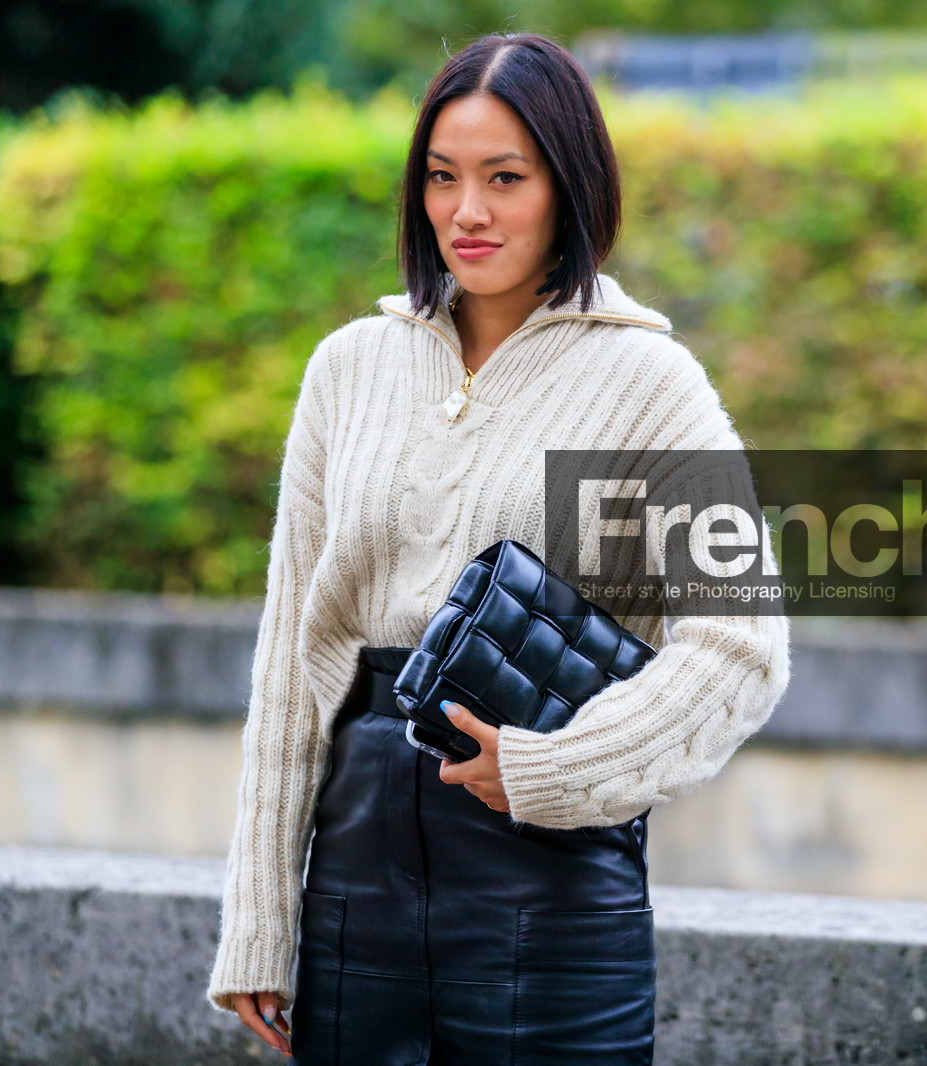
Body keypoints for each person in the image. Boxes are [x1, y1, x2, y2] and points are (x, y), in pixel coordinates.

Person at [205, 31, 792, 1064]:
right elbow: (291, 663)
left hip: (550, 888)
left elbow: (742, 643)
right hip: (357, 884)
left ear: (568, 188)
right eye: (441, 177)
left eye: (502, 178)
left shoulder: (649, 384)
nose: (464, 212)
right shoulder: (349, 367)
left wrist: (554, 768)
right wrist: (259, 914)